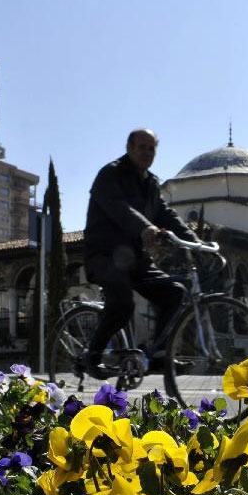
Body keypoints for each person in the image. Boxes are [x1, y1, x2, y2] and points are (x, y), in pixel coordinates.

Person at [82, 128, 199, 375]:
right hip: (103, 255)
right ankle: (93, 356)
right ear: (129, 148)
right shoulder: (110, 174)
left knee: (174, 292)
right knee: (123, 301)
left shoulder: (151, 183)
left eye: (152, 148)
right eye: (142, 147)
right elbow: (118, 207)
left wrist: (196, 242)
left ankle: (158, 355)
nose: (147, 152)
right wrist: (145, 227)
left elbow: (166, 214)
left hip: (136, 259)